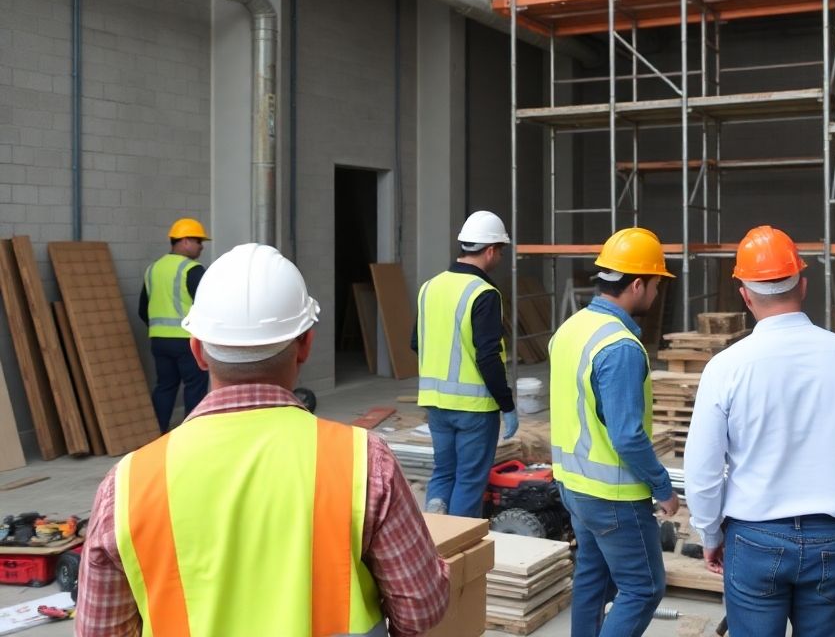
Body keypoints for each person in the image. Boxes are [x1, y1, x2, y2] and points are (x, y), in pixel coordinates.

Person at [77, 243, 451, 636]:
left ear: (198, 351)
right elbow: (421, 607)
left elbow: (99, 630)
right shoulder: (363, 462)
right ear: (305, 344)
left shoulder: (128, 483)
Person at [683, 225, 835, 637]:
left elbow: (702, 470)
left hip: (753, 539)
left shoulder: (726, 368)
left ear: (745, 294)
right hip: (832, 537)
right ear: (802, 285)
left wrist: (709, 532)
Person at [550, 227, 678, 637]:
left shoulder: (571, 328)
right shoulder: (620, 347)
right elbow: (626, 436)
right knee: (643, 588)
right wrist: (662, 486)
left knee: (593, 575)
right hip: (613, 494)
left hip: (574, 484)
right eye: (657, 284)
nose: (657, 294)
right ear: (637, 284)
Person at [415, 210, 517, 517]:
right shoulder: (484, 293)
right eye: (499, 251)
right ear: (489, 250)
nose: (498, 258)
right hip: (474, 409)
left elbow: (414, 343)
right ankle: (459, 546)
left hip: (435, 403)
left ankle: (435, 519)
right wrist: (507, 405)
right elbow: (488, 356)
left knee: (443, 472)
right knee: (469, 481)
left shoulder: (429, 287)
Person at [138, 217, 210, 433]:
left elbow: (143, 309)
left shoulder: (153, 269)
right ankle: (192, 434)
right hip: (188, 341)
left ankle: (157, 432)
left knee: (165, 386)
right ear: (186, 241)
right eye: (198, 241)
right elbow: (208, 305)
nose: (202, 246)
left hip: (159, 341)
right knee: (194, 387)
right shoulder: (193, 269)